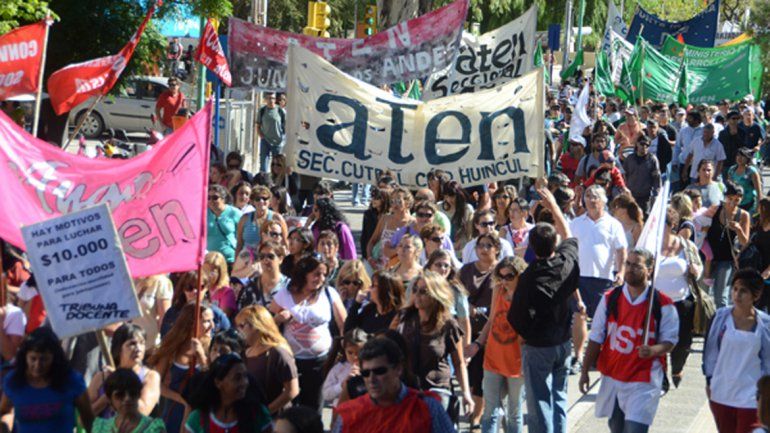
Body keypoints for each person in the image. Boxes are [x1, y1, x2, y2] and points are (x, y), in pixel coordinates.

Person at [579, 248, 680, 433]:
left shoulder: (663, 304)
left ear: (649, 270)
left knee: (635, 429)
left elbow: (670, 341)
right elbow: (595, 337)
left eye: (637, 265)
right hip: (614, 376)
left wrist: (653, 350)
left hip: (644, 379)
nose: (631, 269)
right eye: (628, 264)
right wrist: (584, 371)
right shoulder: (610, 298)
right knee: (616, 428)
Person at [508, 186, 580, 433]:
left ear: (531, 246)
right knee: (559, 396)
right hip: (563, 342)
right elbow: (568, 234)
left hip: (539, 345)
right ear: (554, 243)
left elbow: (515, 316)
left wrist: (529, 334)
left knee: (539, 400)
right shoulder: (566, 262)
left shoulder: (529, 277)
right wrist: (555, 208)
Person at [270, 254, 347, 412]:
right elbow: (267, 324)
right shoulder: (284, 294)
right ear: (304, 273)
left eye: (324, 274)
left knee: (313, 410)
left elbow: (344, 324)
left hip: (319, 363)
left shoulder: (329, 293)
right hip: (290, 362)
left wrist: (344, 352)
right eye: (316, 274)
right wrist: (278, 319)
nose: (321, 279)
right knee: (289, 410)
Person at [332, 337, 457, 433]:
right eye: (365, 373)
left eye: (379, 371)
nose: (371, 379)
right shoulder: (350, 414)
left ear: (398, 369)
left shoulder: (428, 408)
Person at [392, 271, 474, 414]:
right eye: (415, 289)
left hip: (436, 391)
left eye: (423, 291)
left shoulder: (448, 325)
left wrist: (466, 393)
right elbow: (387, 346)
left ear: (436, 294)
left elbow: (459, 363)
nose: (417, 294)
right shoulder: (404, 318)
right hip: (407, 389)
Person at [704, 269, 770, 433]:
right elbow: (711, 353)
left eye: (743, 291)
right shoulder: (720, 318)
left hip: (751, 396)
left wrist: (765, 392)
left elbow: (767, 360)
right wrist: (709, 380)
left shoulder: (765, 324)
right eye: (735, 289)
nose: (737, 295)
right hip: (722, 393)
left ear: (755, 295)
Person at [0, 327, 94, 433]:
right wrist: (5, 427)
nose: (38, 365)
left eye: (44, 359)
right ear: (25, 357)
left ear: (55, 358)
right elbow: (5, 411)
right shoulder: (14, 381)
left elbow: (88, 419)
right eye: (33, 358)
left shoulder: (72, 381)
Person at [473, 257, 528, 433]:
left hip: (517, 362)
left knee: (514, 412)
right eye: (501, 276)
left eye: (509, 276)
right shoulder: (498, 290)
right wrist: (477, 343)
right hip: (493, 358)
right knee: (490, 410)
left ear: (520, 275)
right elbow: (490, 321)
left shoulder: (526, 296)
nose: (504, 281)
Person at [151, 302, 215, 433]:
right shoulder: (172, 350)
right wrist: (182, 400)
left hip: (202, 419)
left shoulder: (213, 348)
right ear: (191, 323)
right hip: (174, 415)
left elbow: (215, 382)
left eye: (212, 320)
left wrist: (202, 357)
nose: (212, 325)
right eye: (206, 321)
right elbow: (156, 384)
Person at [658, 208, 702, 389]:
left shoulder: (686, 246)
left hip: (682, 303)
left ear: (672, 225)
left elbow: (698, 267)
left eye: (662, 224)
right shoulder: (650, 246)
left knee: (682, 344)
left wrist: (696, 271)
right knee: (658, 341)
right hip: (657, 304)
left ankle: (677, 368)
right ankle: (661, 376)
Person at [236, 305, 299, 414]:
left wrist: (266, 413)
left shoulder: (278, 353)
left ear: (256, 326)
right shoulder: (244, 353)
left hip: (274, 419)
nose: (239, 330)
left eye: (242, 325)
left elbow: (292, 390)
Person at [185, 353, 272, 433]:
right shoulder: (198, 418)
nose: (245, 382)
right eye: (237, 378)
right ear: (218, 383)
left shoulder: (258, 414)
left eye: (245, 376)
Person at [88, 324, 161, 418]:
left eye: (142, 343)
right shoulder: (101, 377)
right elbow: (84, 417)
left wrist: (120, 382)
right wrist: (105, 398)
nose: (138, 349)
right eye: (132, 344)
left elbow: (142, 412)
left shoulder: (150, 376)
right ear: (119, 348)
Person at [705, 182, 751, 308]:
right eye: (730, 198)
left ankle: (722, 319)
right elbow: (700, 222)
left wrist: (738, 229)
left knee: (720, 297)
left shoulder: (743, 215)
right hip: (708, 256)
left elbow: (745, 242)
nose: (733, 203)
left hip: (726, 259)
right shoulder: (715, 209)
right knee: (703, 294)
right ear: (725, 197)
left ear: (741, 199)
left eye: (737, 200)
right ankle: (704, 320)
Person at [91, 369, 166, 433]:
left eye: (133, 393)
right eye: (120, 395)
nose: (127, 398)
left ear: (139, 395)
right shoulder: (100, 427)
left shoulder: (154, 428)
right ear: (110, 400)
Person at [367, 187, 415, 269]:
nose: (395, 204)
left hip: (400, 268)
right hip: (379, 267)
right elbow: (372, 241)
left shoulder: (413, 223)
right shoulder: (385, 219)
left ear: (407, 203)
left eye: (398, 201)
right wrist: (370, 258)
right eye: (392, 201)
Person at [236, 185, 288, 258]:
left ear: (269, 201)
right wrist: (236, 261)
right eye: (258, 199)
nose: (261, 201)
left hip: (268, 258)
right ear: (253, 201)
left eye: (265, 198)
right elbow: (239, 243)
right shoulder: (245, 218)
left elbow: (285, 242)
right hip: (246, 259)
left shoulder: (277, 218)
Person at [345, 270, 404, 334]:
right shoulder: (369, 309)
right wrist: (357, 304)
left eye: (373, 285)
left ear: (384, 290)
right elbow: (348, 330)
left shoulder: (398, 316)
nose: (369, 288)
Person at [322, 328, 368, 407]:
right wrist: (342, 385)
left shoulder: (371, 368)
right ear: (345, 351)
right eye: (350, 353)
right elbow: (326, 395)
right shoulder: (339, 368)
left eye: (359, 352)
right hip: (340, 409)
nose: (355, 357)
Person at [622, 136, 661, 214]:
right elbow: (624, 175)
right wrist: (624, 190)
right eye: (642, 144)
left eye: (647, 145)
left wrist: (656, 195)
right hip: (631, 195)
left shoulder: (652, 160)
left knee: (645, 217)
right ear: (637, 144)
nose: (644, 147)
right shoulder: (629, 159)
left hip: (645, 197)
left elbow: (657, 179)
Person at [132, 275, 173, 349]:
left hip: (149, 345)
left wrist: (165, 346)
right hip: (126, 343)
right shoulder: (124, 279)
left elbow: (165, 319)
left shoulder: (161, 282)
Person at [207, 184, 243, 266]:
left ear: (223, 199)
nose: (211, 200)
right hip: (210, 261)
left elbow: (243, 236)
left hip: (230, 259)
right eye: (208, 198)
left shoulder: (234, 213)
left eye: (215, 198)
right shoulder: (204, 214)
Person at [257, 92, 286, 173]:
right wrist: (260, 135)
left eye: (273, 98)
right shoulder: (262, 110)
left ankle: (275, 178)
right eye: (269, 98)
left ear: (275, 100)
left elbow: (285, 125)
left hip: (277, 142)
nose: (271, 100)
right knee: (263, 162)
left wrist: (283, 138)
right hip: (265, 140)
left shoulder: (280, 110)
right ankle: (263, 178)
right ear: (266, 100)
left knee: (277, 164)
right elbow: (258, 125)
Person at [728, 147, 763, 213]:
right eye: (738, 155)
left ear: (747, 158)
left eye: (742, 156)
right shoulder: (732, 170)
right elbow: (730, 188)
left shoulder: (751, 171)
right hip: (736, 204)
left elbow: (759, 191)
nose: (739, 158)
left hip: (750, 204)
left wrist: (758, 207)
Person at [203, 252, 236, 318]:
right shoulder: (201, 289)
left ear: (220, 273)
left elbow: (222, 319)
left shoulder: (227, 292)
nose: (207, 275)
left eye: (212, 272)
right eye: (204, 271)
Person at [361, 188, 390, 260]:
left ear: (384, 199)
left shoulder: (390, 216)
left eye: (377, 198)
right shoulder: (368, 214)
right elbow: (364, 235)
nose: (373, 200)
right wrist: (365, 255)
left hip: (386, 253)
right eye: (372, 197)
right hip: (370, 251)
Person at [719, 110, 749, 178]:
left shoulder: (742, 132)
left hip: (739, 163)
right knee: (726, 182)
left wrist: (736, 136)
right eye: (733, 118)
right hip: (726, 163)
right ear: (728, 120)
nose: (736, 120)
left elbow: (744, 147)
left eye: (737, 118)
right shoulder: (722, 133)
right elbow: (720, 148)